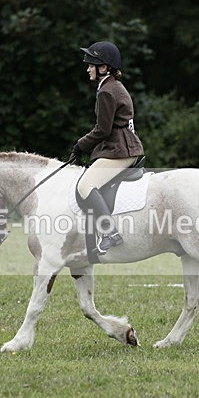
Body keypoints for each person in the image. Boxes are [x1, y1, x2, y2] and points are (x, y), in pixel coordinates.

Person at [70, 41, 144, 254]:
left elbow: (102, 130)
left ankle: (110, 232)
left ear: (103, 68)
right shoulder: (112, 87)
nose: (87, 69)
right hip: (121, 147)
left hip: (119, 150)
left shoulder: (107, 92)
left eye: (91, 65)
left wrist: (80, 145)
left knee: (85, 186)